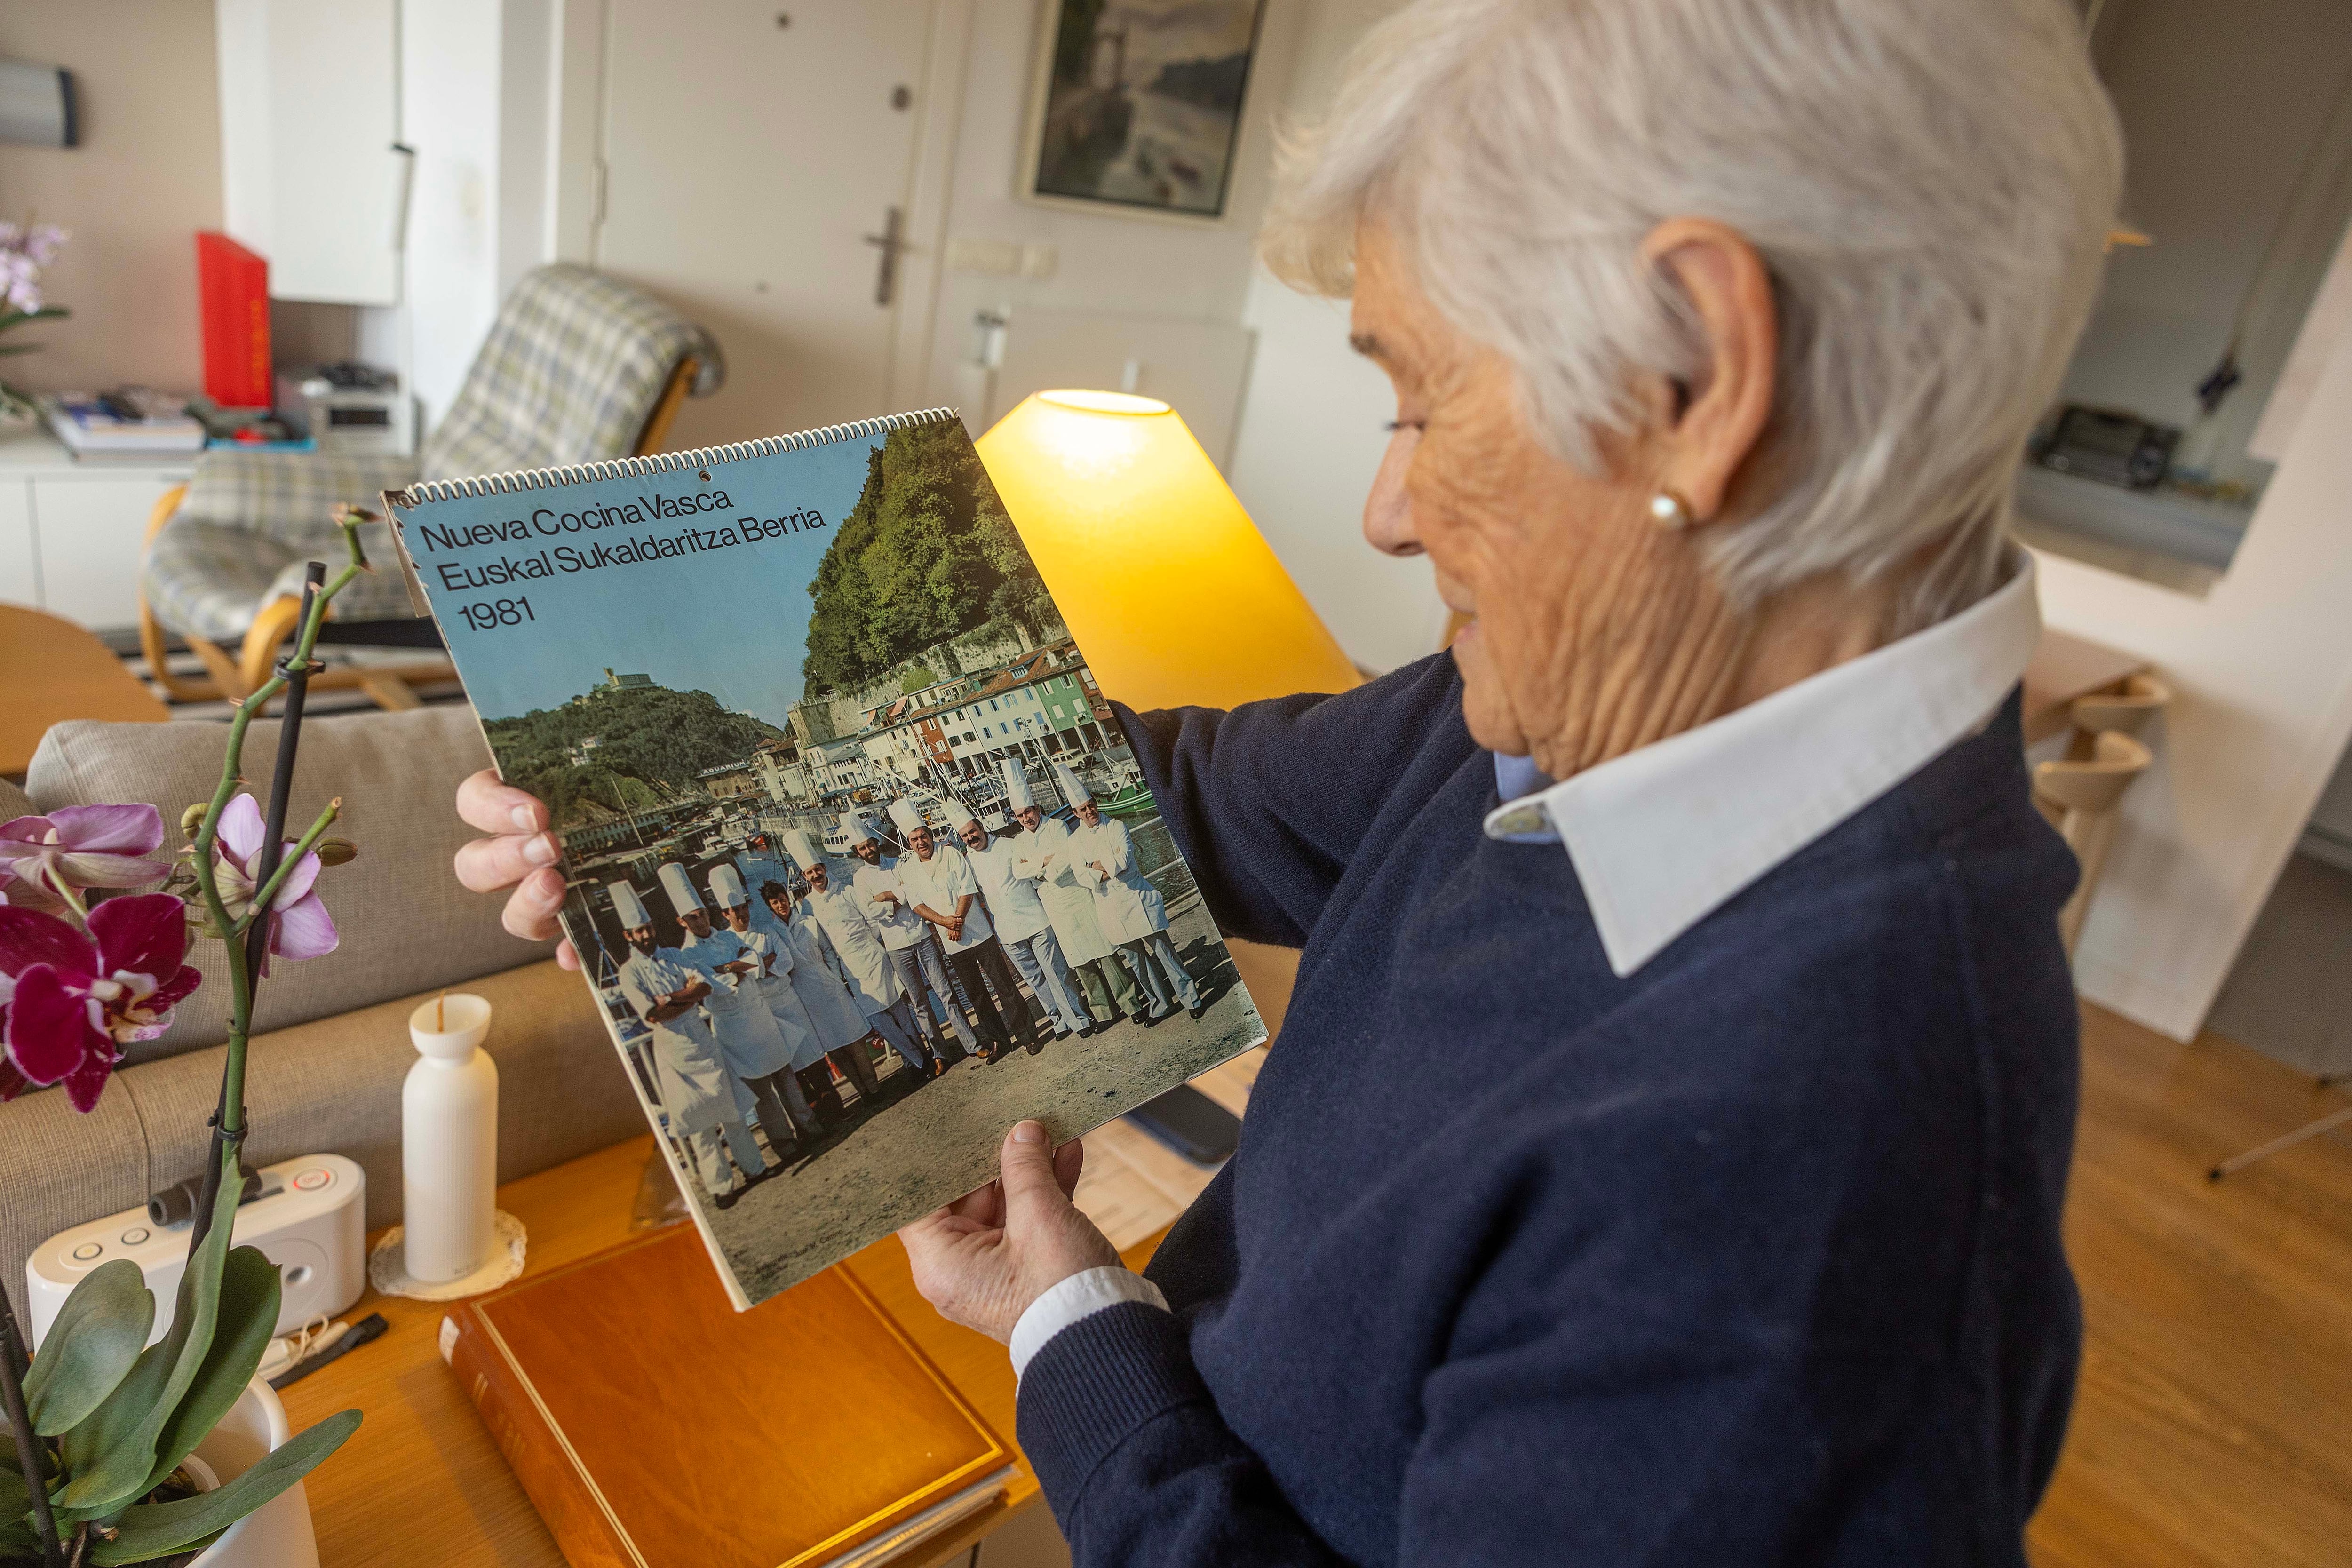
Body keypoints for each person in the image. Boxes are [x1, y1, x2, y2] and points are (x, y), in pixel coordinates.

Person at [456, 0, 2114, 1552]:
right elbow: (1171, 790)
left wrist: (1076, 1341)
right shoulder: (1575, 718)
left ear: (1699, 374)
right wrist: (638, 846)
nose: (1386, 510)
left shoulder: (1805, 1189)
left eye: (1420, 396)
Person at [608, 880, 774, 1210]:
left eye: (648, 928)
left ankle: (754, 1168)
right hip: (674, 1049)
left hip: (702, 1038)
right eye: (638, 931)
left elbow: (704, 988)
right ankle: (721, 1186)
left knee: (732, 1110)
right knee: (699, 1125)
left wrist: (671, 997)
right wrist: (681, 997)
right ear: (628, 936)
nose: (646, 935)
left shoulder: (673, 955)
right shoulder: (630, 973)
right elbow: (652, 1014)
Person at [667, 862, 821, 1153]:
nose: (701, 922)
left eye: (702, 915)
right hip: (732, 1025)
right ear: (682, 921)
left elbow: (754, 963)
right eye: (693, 918)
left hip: (759, 1014)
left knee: (785, 1074)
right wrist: (734, 969)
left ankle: (809, 1126)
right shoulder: (687, 955)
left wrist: (725, 968)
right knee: (761, 1089)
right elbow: (709, 985)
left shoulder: (726, 937)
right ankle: (784, 1144)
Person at [1053, 761, 1203, 1023]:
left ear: (1095, 804)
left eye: (1091, 806)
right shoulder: (1074, 842)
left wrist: (1095, 866)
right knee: (1137, 961)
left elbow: (1123, 861)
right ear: (1075, 813)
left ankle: (1191, 998)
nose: (1090, 812)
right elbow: (1082, 877)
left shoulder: (1117, 826)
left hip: (1135, 897)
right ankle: (1161, 1004)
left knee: (1164, 952)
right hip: (1109, 906)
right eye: (1083, 809)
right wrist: (1103, 865)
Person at [789, 831, 938, 1082]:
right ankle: (919, 1058)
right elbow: (823, 945)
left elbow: (871, 921)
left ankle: (917, 1061)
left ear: (824, 868)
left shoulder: (847, 891)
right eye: (810, 873)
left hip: (872, 956)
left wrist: (873, 942)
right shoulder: (808, 906)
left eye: (818, 870)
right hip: (850, 968)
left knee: (900, 1012)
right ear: (805, 877)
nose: (816, 876)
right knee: (879, 1020)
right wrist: (837, 976)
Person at [1010, 776, 1147, 1030]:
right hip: (1053, 904)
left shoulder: (1058, 826)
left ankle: (1131, 1003)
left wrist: (1040, 870)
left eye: (1028, 812)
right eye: (1020, 816)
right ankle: (1104, 1011)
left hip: (1076, 893)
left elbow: (1066, 859)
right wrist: (1044, 862)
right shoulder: (1019, 842)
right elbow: (1018, 872)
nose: (1026, 819)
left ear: (1037, 809)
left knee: (1104, 950)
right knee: (1080, 959)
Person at [894, 802, 1026, 1061]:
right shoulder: (908, 870)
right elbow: (918, 905)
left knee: (1004, 986)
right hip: (952, 941)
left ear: (931, 836)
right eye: (915, 839)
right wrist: (946, 923)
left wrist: (957, 921)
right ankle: (1001, 1042)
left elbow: (968, 888)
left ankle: (1026, 1034)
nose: (921, 842)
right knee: (977, 996)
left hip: (979, 932)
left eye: (924, 836)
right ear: (909, 844)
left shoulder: (951, 854)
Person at [970, 762, 1092, 1040]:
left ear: (982, 826)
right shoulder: (969, 862)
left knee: (1056, 971)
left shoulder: (1011, 844)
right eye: (965, 836)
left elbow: (1023, 869)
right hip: (1007, 929)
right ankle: (1058, 1019)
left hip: (1036, 919)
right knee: (1035, 979)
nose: (971, 837)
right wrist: (1043, 861)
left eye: (973, 831)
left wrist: (1036, 863)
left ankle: (1079, 1018)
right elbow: (1012, 876)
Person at [852, 810, 977, 1064]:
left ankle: (971, 1044)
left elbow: (910, 893)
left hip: (921, 936)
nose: (868, 851)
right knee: (919, 1002)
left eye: (870, 845)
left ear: (877, 844)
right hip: (896, 946)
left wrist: (886, 896)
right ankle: (940, 1054)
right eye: (862, 849)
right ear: (858, 853)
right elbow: (869, 911)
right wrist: (895, 898)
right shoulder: (859, 879)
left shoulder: (900, 863)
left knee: (946, 992)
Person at [754, 871, 887, 1104]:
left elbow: (828, 952)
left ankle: (875, 1088)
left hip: (829, 985)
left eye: (782, 899)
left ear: (788, 897)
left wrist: (835, 979)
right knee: (835, 1049)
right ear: (770, 907)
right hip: (805, 997)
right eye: (774, 903)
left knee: (854, 1040)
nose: (781, 905)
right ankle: (863, 1093)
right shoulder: (772, 934)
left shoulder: (809, 921)